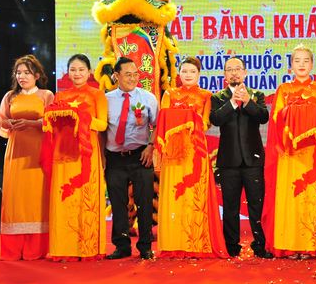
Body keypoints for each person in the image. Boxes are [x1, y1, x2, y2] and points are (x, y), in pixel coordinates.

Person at [263, 44, 316, 260]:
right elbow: (276, 119)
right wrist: (294, 112)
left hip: (312, 152)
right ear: (291, 65)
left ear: (312, 64)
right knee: (290, 197)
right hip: (289, 153)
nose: (301, 65)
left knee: (311, 197)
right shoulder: (283, 89)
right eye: (297, 61)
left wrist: (298, 111)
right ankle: (289, 245)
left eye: (306, 61)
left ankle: (310, 245)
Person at [155, 56, 228, 258]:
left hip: (195, 151)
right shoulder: (169, 93)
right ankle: (173, 244)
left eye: (192, 72)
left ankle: (196, 242)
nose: (188, 75)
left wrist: (186, 117)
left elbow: (205, 124)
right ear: (179, 73)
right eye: (185, 71)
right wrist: (185, 117)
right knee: (174, 196)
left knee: (194, 196)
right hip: (173, 153)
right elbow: (163, 118)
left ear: (199, 74)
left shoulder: (206, 95)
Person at [43, 54, 108, 261]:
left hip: (87, 152)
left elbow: (102, 125)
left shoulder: (98, 94)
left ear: (89, 72)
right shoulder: (60, 96)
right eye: (73, 69)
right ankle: (63, 248)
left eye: (81, 69)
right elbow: (52, 124)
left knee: (85, 198)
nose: (77, 73)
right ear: (67, 72)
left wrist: (79, 116)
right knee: (64, 197)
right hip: (63, 152)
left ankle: (87, 247)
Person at [210, 57, 273, 259]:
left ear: (245, 72)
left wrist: (247, 102)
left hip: (253, 161)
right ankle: (232, 247)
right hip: (228, 162)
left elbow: (263, 117)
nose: (234, 73)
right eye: (230, 70)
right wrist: (231, 102)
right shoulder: (218, 97)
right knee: (230, 206)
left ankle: (260, 246)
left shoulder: (256, 95)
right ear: (225, 74)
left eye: (238, 69)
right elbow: (215, 120)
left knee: (256, 204)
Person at [0, 55, 54, 260]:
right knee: (15, 197)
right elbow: (1, 121)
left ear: (37, 75)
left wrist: (32, 124)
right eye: (19, 73)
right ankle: (13, 249)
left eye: (27, 73)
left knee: (35, 197)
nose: (22, 76)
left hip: (38, 151)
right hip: (15, 150)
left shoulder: (46, 95)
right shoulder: (10, 97)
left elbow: (51, 122)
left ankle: (35, 249)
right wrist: (8, 124)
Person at [104, 57, 159, 260]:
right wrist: (102, 156)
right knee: (118, 204)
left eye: (136, 74)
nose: (133, 78)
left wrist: (151, 147)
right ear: (116, 76)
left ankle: (145, 246)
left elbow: (156, 126)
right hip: (115, 159)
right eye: (128, 74)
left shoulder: (148, 98)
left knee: (144, 203)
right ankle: (122, 246)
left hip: (140, 156)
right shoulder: (106, 99)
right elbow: (102, 130)